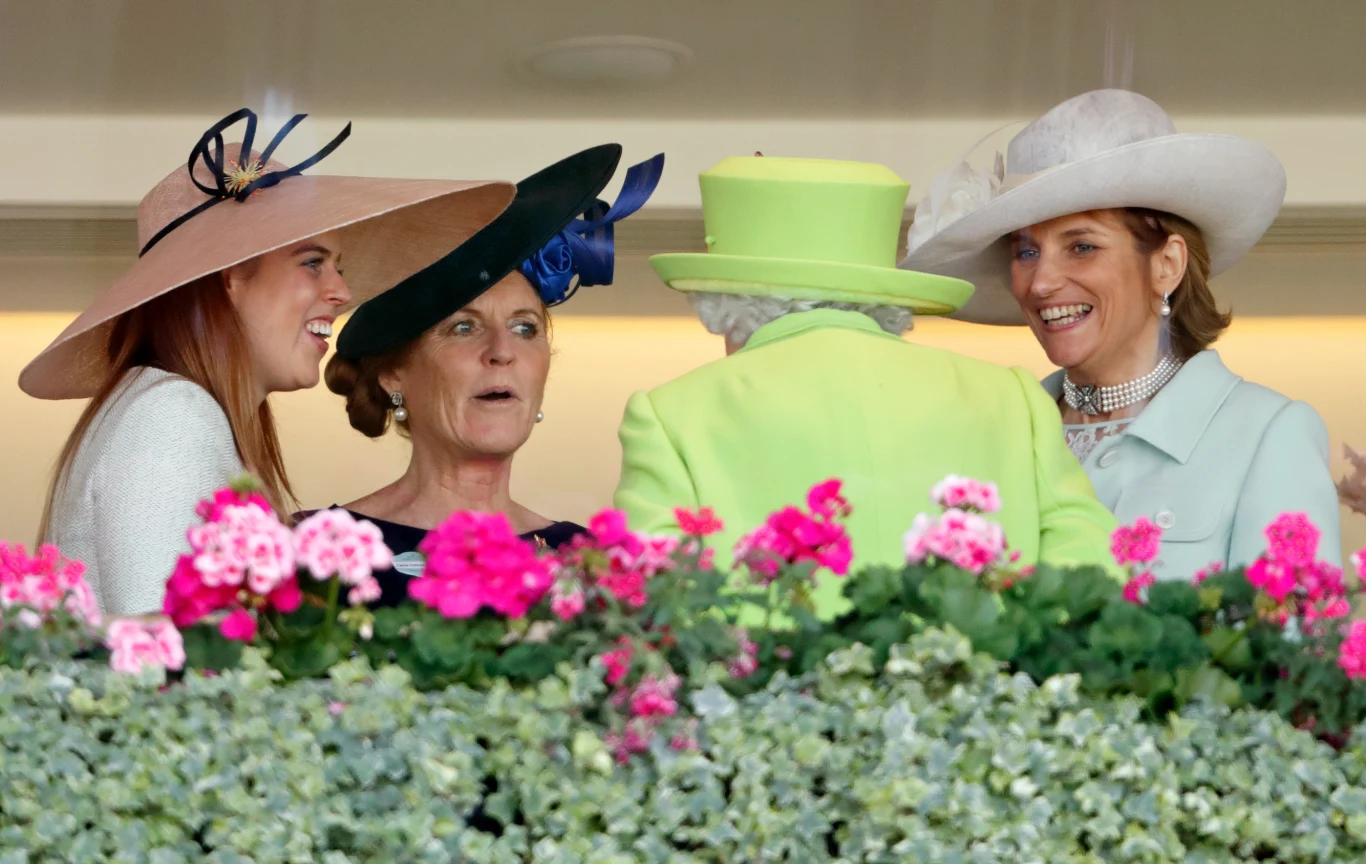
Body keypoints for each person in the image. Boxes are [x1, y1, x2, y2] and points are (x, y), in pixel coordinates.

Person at [23, 109, 515, 615]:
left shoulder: (166, 407)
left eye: (337, 268)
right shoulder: (171, 415)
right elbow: (168, 671)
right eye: (312, 262)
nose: (342, 292)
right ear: (231, 276)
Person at [613, 154, 1118, 619]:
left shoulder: (670, 414)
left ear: (724, 305)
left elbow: (655, 608)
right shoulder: (1012, 398)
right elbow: (1092, 575)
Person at [900, 88, 1341, 578]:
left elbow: (1298, 647)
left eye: (1082, 246)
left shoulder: (1266, 434)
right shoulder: (997, 434)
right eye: (1026, 252)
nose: (1041, 282)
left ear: (1167, 264)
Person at [323, 145, 662, 606]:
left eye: (525, 328)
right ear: (393, 374)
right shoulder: (315, 556)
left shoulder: (589, 565)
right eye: (464, 328)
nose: (502, 352)